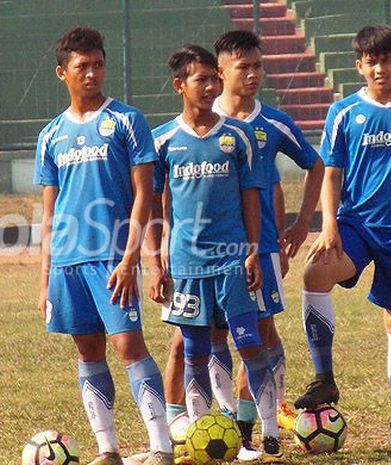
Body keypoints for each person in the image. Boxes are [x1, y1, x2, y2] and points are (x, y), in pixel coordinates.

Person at [295, 24, 391, 450]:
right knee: (314, 274)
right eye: (372, 61)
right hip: (356, 225)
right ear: (360, 65)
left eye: (388, 59)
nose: (380, 67)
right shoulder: (344, 112)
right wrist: (328, 225)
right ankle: (325, 379)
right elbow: (331, 172)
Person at [34, 26, 172, 465]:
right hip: (67, 264)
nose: (92, 73)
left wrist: (132, 258)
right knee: (87, 350)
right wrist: (44, 279)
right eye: (82, 66)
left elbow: (143, 198)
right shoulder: (50, 135)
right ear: (62, 72)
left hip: (113, 257)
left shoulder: (127, 121)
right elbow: (49, 214)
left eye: (98, 64)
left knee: (129, 345)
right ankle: (107, 447)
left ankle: (161, 446)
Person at [146, 44, 285, 463]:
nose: (210, 86)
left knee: (250, 345)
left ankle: (268, 433)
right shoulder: (164, 141)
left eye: (213, 78)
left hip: (232, 261)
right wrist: (156, 260)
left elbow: (251, 199)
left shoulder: (236, 136)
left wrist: (252, 253)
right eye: (200, 79)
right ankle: (204, 431)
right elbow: (153, 203)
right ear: (179, 86)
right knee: (195, 351)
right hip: (187, 265)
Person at [210, 29, 324, 459]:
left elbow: (315, 166)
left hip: (261, 249)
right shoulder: (203, 121)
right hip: (210, 248)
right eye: (245, 66)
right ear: (222, 71)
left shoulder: (273, 122)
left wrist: (299, 224)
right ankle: (213, 420)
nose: (255, 73)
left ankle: (254, 426)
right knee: (210, 335)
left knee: (259, 332)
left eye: (259, 65)